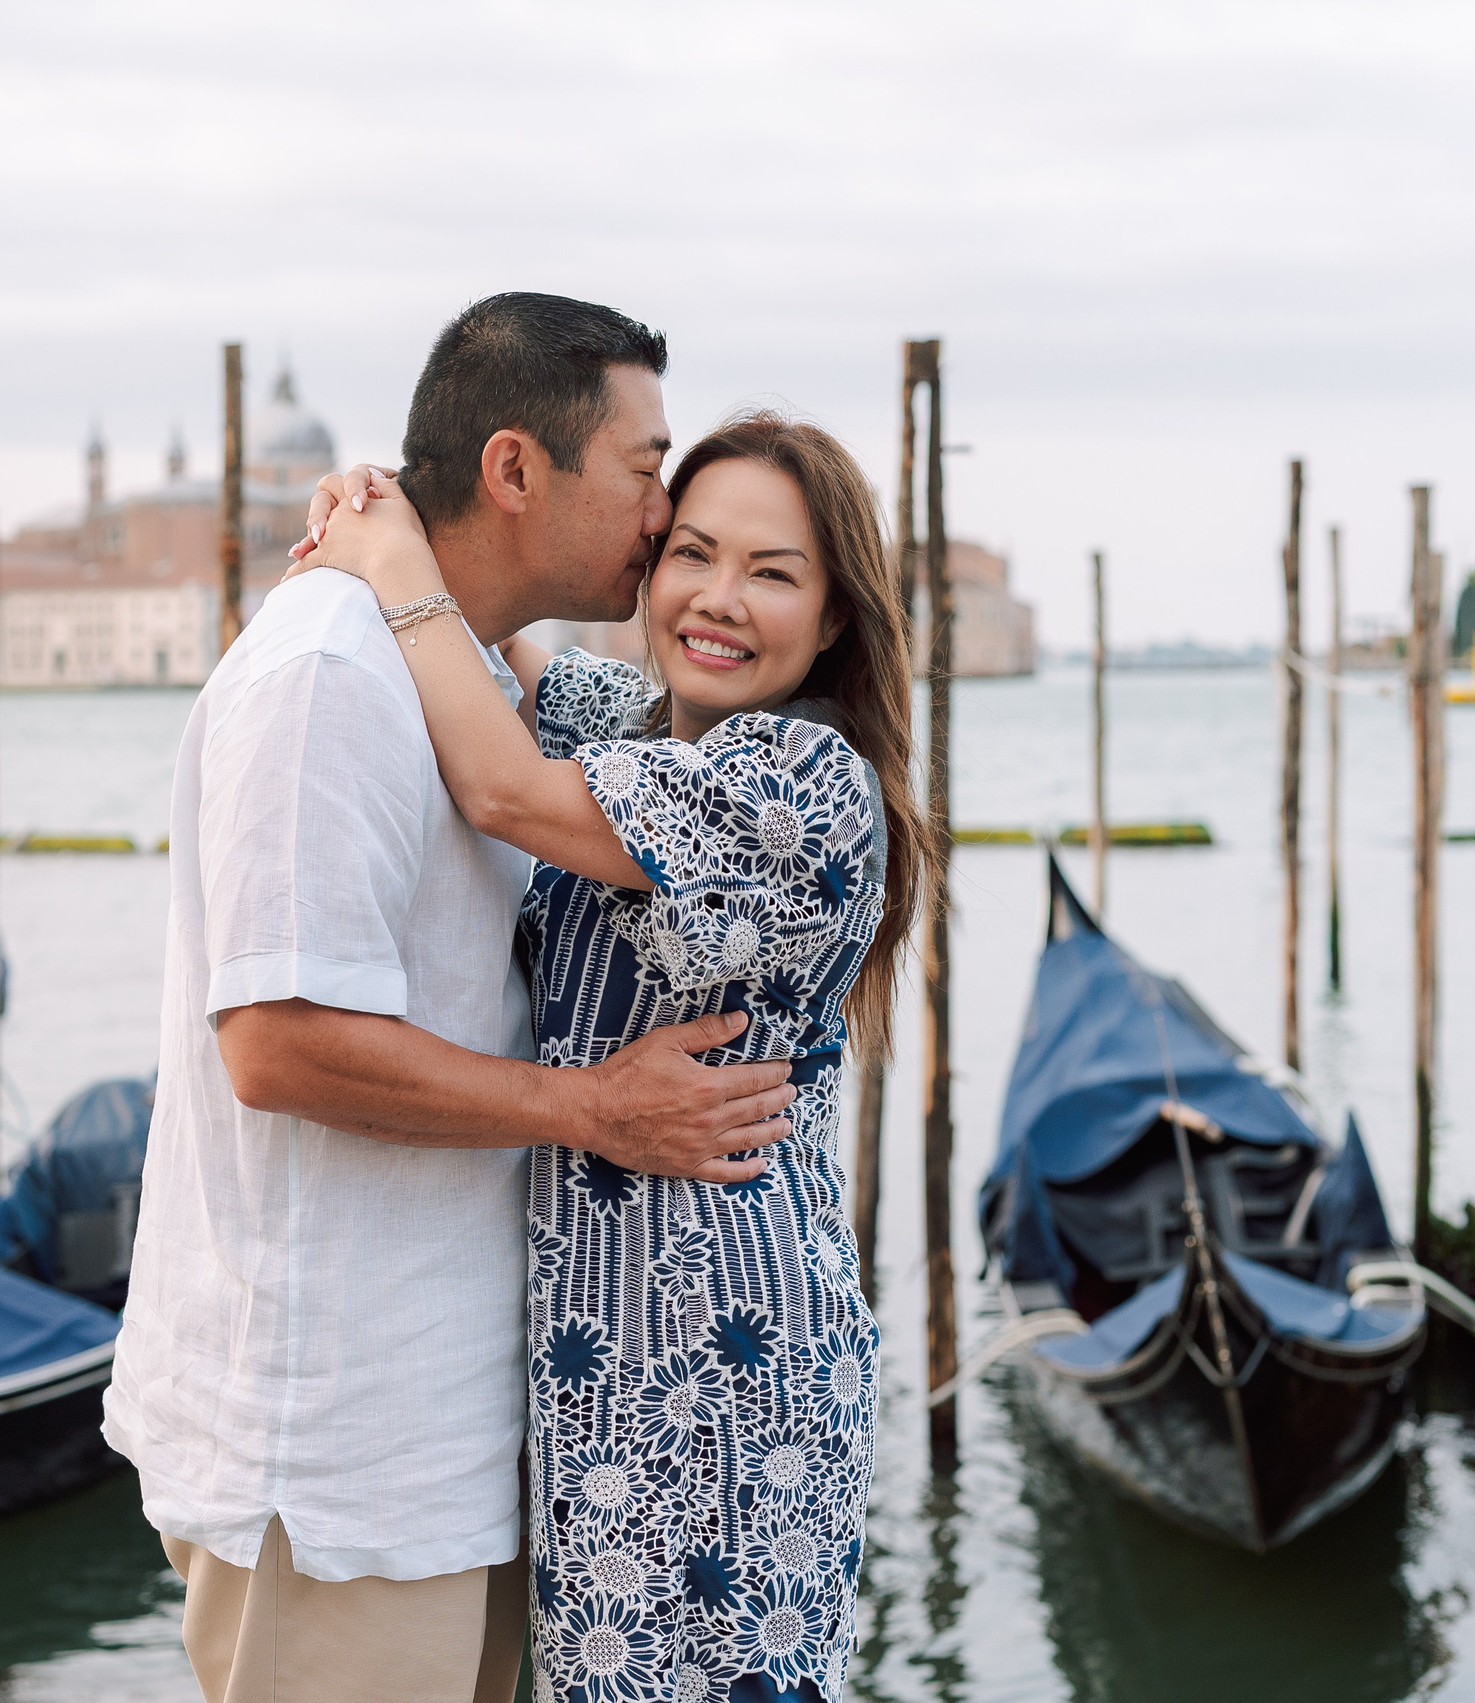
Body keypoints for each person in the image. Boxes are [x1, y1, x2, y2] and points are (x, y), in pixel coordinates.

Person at [102, 295, 805, 1703]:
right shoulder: (329, 675)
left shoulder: (464, 670)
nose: (661, 517)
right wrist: (595, 1109)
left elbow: (517, 765)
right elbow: (280, 1045)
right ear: (515, 470)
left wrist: (395, 544)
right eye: (644, 467)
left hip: (439, 1444)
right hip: (331, 1453)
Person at [297, 409, 921, 1701]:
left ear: (837, 616)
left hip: (726, 1361)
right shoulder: (629, 728)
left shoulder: (804, 783)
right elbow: (503, 656)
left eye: (774, 572)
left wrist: (395, 566)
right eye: (691, 552)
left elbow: (505, 793)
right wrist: (387, 507)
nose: (719, 599)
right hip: (599, 1355)